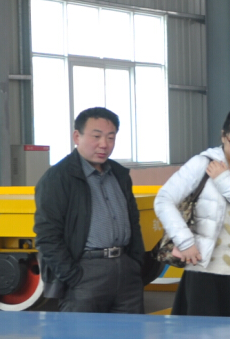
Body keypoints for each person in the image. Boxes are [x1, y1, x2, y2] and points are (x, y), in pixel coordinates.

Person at [155, 108, 230, 318]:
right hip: (202, 270)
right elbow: (163, 199)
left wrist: (224, 180)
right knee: (201, 335)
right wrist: (185, 242)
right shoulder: (202, 164)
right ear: (223, 136)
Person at [33, 106, 146, 313]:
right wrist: (73, 276)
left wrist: (135, 263)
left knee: (130, 332)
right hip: (85, 272)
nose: (104, 144)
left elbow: (134, 222)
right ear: (77, 136)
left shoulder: (119, 175)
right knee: (83, 333)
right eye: (96, 136)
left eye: (111, 138)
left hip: (126, 271)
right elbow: (47, 235)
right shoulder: (58, 178)